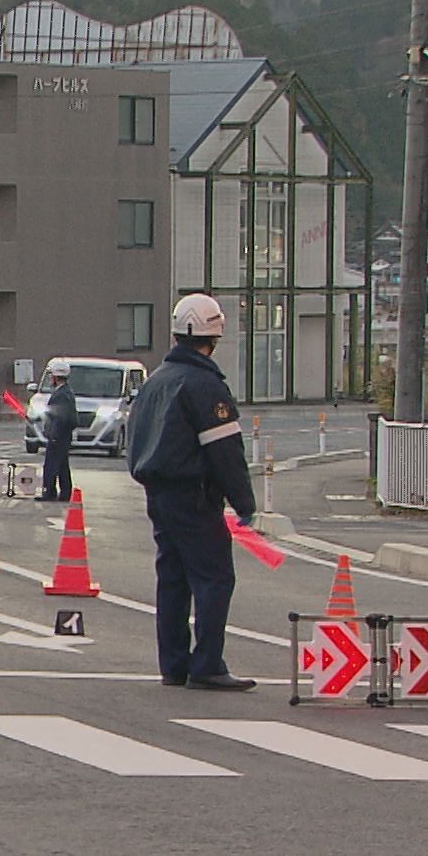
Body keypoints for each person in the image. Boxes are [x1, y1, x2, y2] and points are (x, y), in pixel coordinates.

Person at [124, 293, 257, 691]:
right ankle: (208, 665)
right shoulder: (203, 385)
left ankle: (174, 664)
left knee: (173, 579)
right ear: (214, 334)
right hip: (194, 495)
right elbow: (225, 451)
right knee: (214, 577)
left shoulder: (157, 381)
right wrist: (244, 503)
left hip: (158, 493)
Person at [36, 358, 78, 502]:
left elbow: (61, 417)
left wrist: (54, 434)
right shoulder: (65, 393)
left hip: (58, 437)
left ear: (55, 377)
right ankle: (65, 493)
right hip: (61, 436)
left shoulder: (61, 395)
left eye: (50, 376)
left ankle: (50, 493)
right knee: (61, 465)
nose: (49, 379)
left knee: (51, 465)